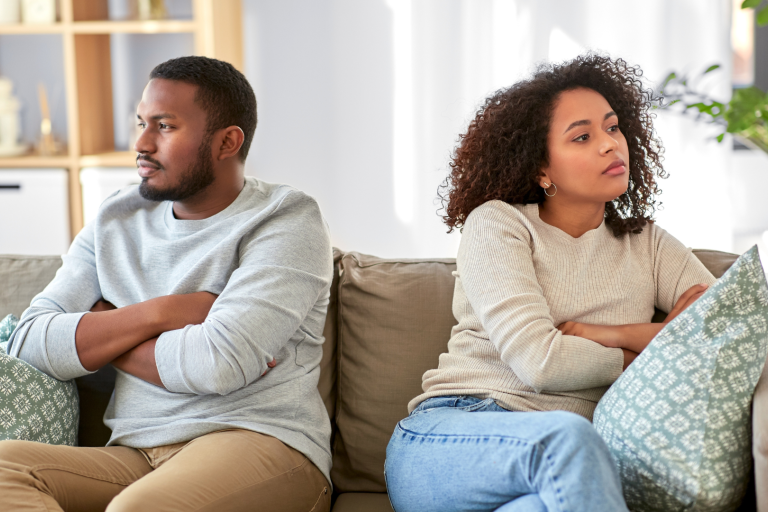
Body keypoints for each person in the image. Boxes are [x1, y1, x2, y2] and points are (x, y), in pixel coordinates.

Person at [0, 56, 333, 512]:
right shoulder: (116, 217)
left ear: (226, 142)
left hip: (257, 442)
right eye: (141, 122)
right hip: (135, 454)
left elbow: (218, 364)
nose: (141, 142)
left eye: (164, 126)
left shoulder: (285, 219)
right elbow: (29, 341)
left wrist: (102, 330)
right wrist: (162, 313)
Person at [385, 54, 715, 512]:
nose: (609, 144)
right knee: (568, 438)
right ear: (542, 169)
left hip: (565, 476)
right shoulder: (498, 225)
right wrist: (657, 346)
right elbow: (540, 362)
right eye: (582, 136)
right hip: (455, 435)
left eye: (613, 127)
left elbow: (726, 328)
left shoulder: (649, 245)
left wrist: (609, 335)